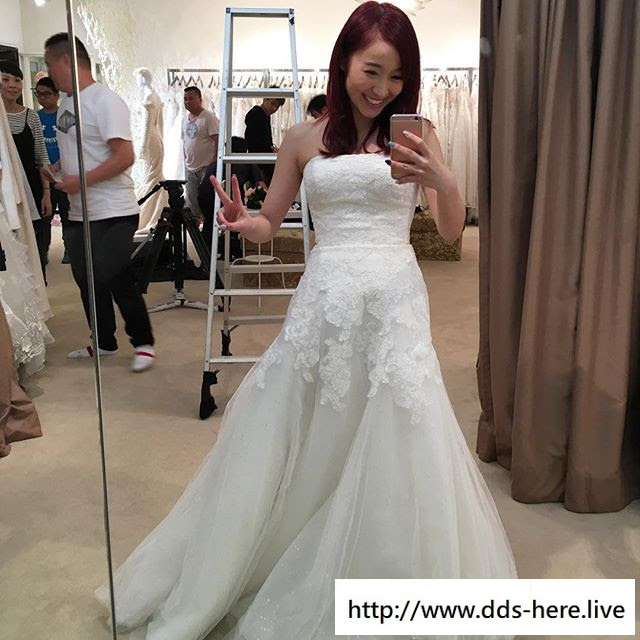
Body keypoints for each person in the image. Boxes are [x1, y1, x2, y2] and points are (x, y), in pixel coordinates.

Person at [97, 3, 517, 638]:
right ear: (343, 62)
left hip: (394, 299)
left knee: (399, 426)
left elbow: (452, 230)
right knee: (308, 422)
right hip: (326, 296)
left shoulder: (418, 134)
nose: (382, 88)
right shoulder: (300, 138)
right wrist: (245, 222)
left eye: (397, 77)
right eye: (372, 70)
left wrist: (444, 179)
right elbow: (271, 223)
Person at [44, 33, 156, 372]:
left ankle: (143, 342)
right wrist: (57, 167)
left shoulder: (105, 101)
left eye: (49, 64)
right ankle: (104, 341)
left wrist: (79, 181)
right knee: (85, 278)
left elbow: (124, 156)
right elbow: (77, 145)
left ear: (66, 61)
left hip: (114, 210)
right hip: (79, 212)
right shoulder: (67, 104)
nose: (47, 73)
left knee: (112, 273)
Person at [0, 61, 52, 281]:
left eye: (17, 80)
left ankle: (38, 291)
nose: (12, 85)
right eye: (5, 79)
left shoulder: (30, 116)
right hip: (4, 194)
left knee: (35, 245)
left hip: (31, 189)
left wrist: (46, 193)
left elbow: (41, 157)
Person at [197, 135, 266, 255]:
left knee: (210, 226)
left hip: (204, 196)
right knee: (235, 223)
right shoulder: (247, 163)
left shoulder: (218, 163)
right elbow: (261, 187)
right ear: (245, 150)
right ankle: (233, 249)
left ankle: (207, 255)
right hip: (221, 198)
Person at [35, 76, 71, 264]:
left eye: (47, 94)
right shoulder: (35, 117)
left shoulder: (65, 117)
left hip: (64, 175)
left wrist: (57, 165)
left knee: (67, 214)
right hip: (43, 176)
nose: (42, 98)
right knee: (44, 216)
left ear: (57, 95)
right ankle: (43, 252)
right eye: (39, 94)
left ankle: (69, 249)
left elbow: (70, 146)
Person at [182, 86, 219, 221]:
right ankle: (195, 224)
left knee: (206, 198)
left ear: (200, 99)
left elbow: (216, 140)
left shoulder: (208, 117)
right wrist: (185, 159)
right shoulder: (184, 119)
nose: (187, 102)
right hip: (190, 167)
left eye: (191, 98)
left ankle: (208, 224)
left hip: (205, 166)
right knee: (191, 199)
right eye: (185, 99)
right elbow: (185, 141)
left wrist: (212, 163)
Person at [244, 91, 285, 185]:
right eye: (273, 104)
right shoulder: (257, 115)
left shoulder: (263, 115)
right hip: (260, 163)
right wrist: (272, 149)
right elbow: (257, 142)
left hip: (261, 161)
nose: (274, 108)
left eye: (277, 107)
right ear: (266, 99)